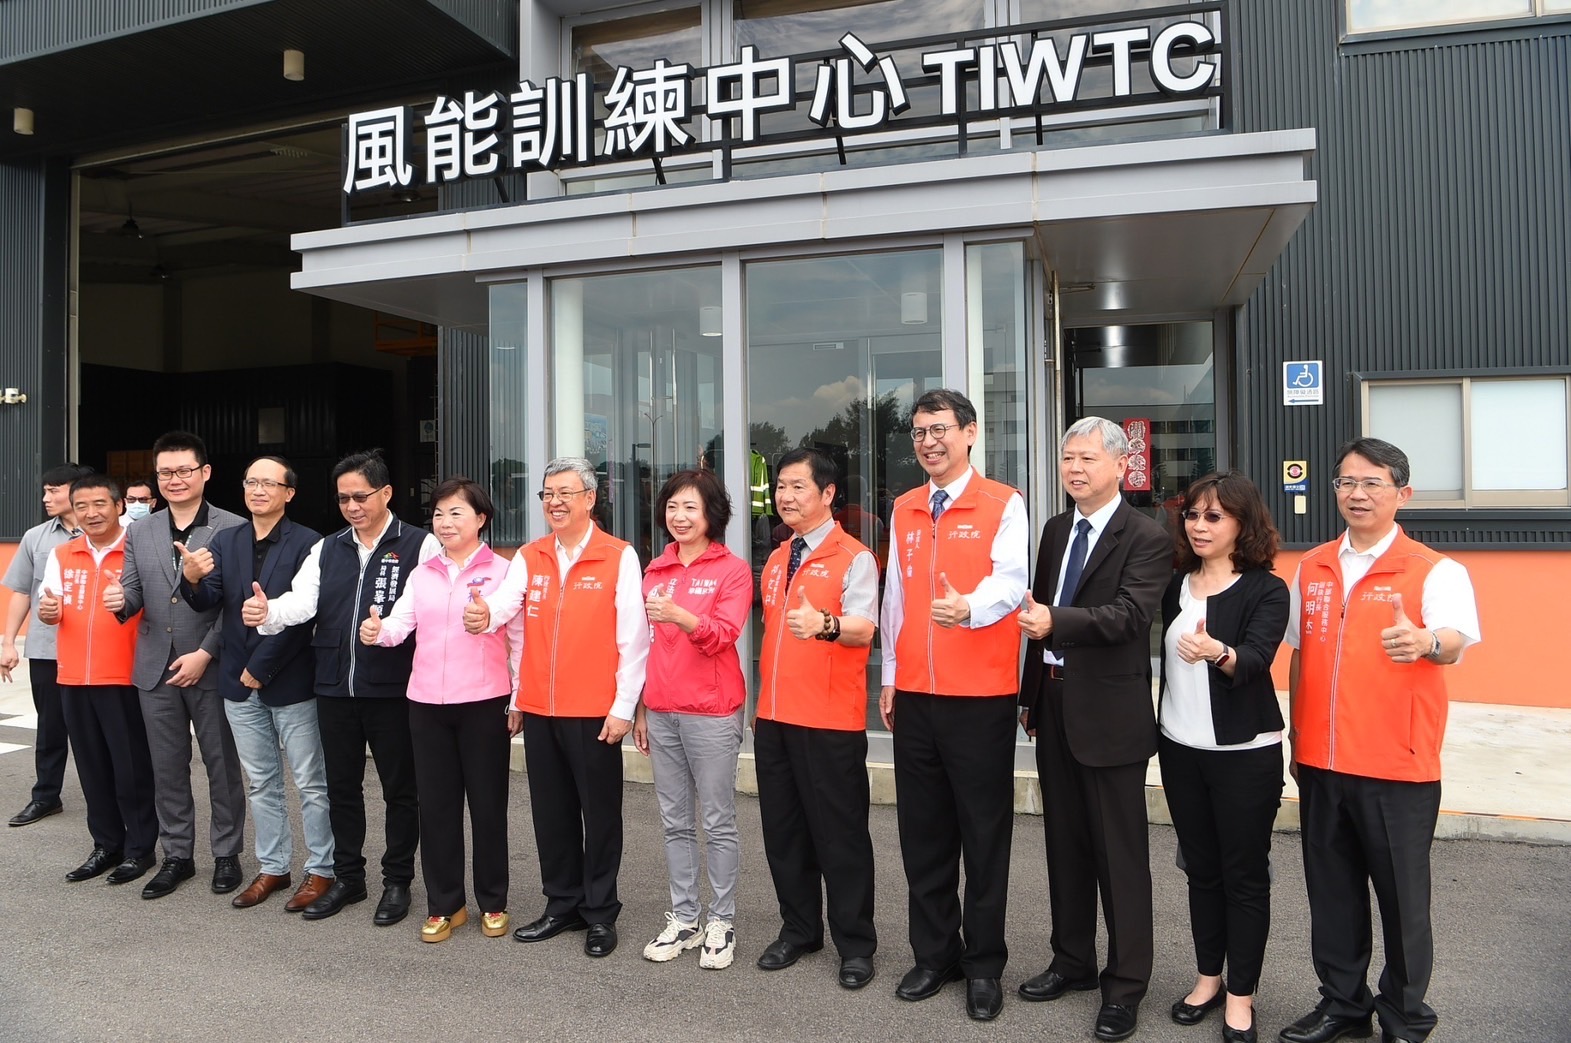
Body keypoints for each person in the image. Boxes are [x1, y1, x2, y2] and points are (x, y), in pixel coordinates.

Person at [1279, 438, 1480, 1043]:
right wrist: (1298, 733)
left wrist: (1425, 642)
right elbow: (1300, 654)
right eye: (1346, 482)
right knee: (1332, 895)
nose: (1357, 494)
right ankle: (1343, 1005)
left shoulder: (1435, 570)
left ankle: (1405, 1017)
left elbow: (1453, 641)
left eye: (1373, 483)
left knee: (1403, 903)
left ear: (1402, 493)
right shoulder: (1313, 566)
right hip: (1322, 761)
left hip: (1397, 765)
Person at [1016, 416, 1171, 1043]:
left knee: (1120, 856)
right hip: (1053, 703)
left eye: (1087, 458)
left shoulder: (1147, 536)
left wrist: (1058, 622)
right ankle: (1072, 961)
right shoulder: (1057, 529)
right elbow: (1036, 612)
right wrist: (1030, 696)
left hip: (1110, 714)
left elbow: (1130, 616)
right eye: (1068, 458)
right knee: (1065, 844)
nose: (1075, 469)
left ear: (1120, 465)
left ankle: (1125, 985)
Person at [878, 388, 1029, 1022]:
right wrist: (890, 674)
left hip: (979, 697)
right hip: (916, 695)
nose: (929, 442)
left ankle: (984, 964)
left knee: (984, 835)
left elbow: (1011, 582)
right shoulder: (905, 507)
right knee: (924, 833)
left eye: (940, 429)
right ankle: (934, 954)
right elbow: (895, 598)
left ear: (970, 433)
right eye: (919, 432)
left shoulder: (1002, 502)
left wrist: (969, 607)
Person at [244, 449, 439, 926]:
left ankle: (397, 882)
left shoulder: (420, 545)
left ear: (386, 493)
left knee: (400, 791)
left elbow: (434, 614)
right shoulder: (328, 548)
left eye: (361, 497)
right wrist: (269, 612)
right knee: (341, 788)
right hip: (334, 687)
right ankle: (349, 878)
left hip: (393, 689)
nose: (352, 506)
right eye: (343, 499)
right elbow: (301, 603)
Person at [467, 457, 650, 959]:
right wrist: (484, 615)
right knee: (552, 814)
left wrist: (623, 706)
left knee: (600, 816)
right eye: (548, 494)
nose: (555, 502)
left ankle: (600, 912)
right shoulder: (531, 555)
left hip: (594, 711)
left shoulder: (619, 556)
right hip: (541, 709)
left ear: (590, 498)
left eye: (566, 493)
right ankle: (562, 904)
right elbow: (505, 606)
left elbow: (634, 639)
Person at [1156, 472, 1290, 1043]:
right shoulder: (1176, 585)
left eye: (1214, 516)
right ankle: (1208, 978)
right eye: (1193, 514)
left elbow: (1257, 659)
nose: (1199, 525)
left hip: (1243, 754)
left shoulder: (1267, 590)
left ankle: (1241, 997)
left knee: (1243, 876)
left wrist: (1218, 652)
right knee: (1201, 871)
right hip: (1180, 749)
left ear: (1242, 523)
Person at [360, 476, 520, 944]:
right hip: (426, 703)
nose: (445, 522)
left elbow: (519, 640)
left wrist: (519, 698)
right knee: (436, 808)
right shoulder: (422, 572)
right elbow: (400, 624)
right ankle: (445, 904)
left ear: (481, 519)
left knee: (487, 806)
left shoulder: (503, 572)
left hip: (484, 702)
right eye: (438, 514)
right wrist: (378, 632)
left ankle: (493, 900)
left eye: (456, 513)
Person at [179, 455, 334, 912]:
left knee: (311, 783)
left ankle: (321, 869)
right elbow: (212, 601)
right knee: (262, 783)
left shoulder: (310, 543)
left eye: (269, 483)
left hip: (291, 681)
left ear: (289, 493)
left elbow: (306, 617)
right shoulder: (228, 540)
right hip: (237, 683)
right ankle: (273, 867)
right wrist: (192, 580)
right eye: (251, 482)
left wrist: (261, 668)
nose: (258, 490)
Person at [753, 449, 880, 989]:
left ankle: (856, 945)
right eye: (780, 486)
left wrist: (826, 624)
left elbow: (864, 627)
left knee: (840, 837)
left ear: (828, 494)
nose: (785, 496)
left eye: (798, 486)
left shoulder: (855, 557)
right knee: (783, 833)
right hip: (775, 716)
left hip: (829, 721)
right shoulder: (778, 556)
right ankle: (799, 930)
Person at [105, 430, 248, 900]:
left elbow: (235, 603)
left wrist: (206, 652)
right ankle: (177, 856)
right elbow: (134, 591)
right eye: (165, 472)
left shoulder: (232, 527)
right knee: (167, 767)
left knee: (221, 765)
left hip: (210, 663)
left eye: (184, 470)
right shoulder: (140, 529)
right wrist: (119, 602)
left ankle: (226, 854)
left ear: (205, 472)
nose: (175, 479)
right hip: (155, 667)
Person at [631, 469, 751, 970]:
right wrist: (641, 709)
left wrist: (681, 616)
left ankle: (721, 920)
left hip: (712, 711)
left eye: (690, 508)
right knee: (674, 821)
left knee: (717, 821)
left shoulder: (733, 570)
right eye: (672, 507)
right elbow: (643, 645)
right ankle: (685, 918)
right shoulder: (654, 569)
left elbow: (724, 634)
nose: (679, 517)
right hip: (661, 710)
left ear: (712, 515)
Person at [37, 474, 158, 885]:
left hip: (123, 676)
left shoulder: (138, 549)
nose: (91, 513)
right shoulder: (62, 553)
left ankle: (140, 849)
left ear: (119, 506)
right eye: (82, 506)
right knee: (91, 769)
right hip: (73, 677)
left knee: (130, 769)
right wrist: (47, 613)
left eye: (100, 504)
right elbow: (50, 605)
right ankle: (106, 845)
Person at [2, 462, 92, 827]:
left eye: (53, 490)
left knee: (96, 728)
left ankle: (107, 795)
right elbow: (22, 592)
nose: (46, 498)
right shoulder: (35, 537)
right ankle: (46, 796)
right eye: (45, 491)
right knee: (50, 727)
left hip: (94, 649)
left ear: (75, 490)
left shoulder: (106, 532)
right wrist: (9, 643)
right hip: (46, 649)